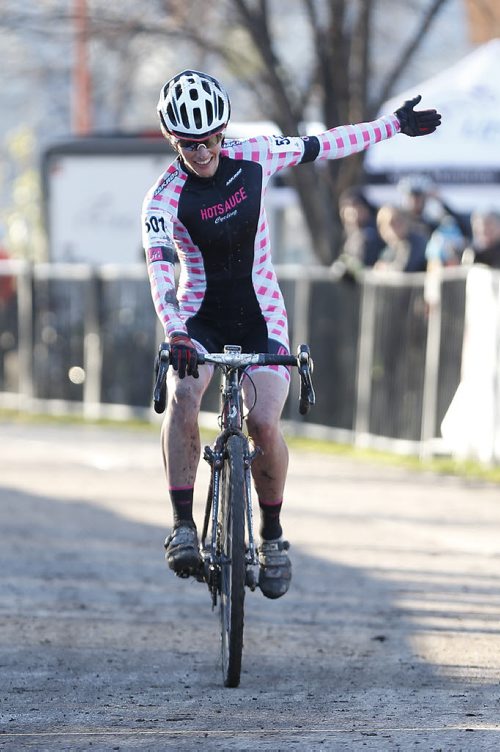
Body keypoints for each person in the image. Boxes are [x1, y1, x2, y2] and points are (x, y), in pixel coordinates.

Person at [141, 71, 441, 598]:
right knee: (184, 394)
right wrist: (176, 332)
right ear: (173, 140)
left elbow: (325, 143)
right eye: (189, 143)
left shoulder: (254, 155)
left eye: (210, 138)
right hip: (198, 317)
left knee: (261, 421)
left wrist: (392, 126)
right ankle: (183, 524)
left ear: (223, 130)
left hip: (261, 311)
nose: (202, 150)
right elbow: (161, 269)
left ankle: (273, 536)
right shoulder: (162, 198)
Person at [331, 187, 384, 280]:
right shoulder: (349, 233)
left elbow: (363, 264)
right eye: (347, 209)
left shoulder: (371, 233)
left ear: (366, 209)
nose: (352, 213)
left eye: (356, 207)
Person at [375, 205, 428, 272]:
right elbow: (380, 264)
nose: (392, 228)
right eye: (385, 224)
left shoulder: (417, 242)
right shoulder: (391, 246)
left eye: (396, 221)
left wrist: (386, 268)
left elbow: (405, 269)